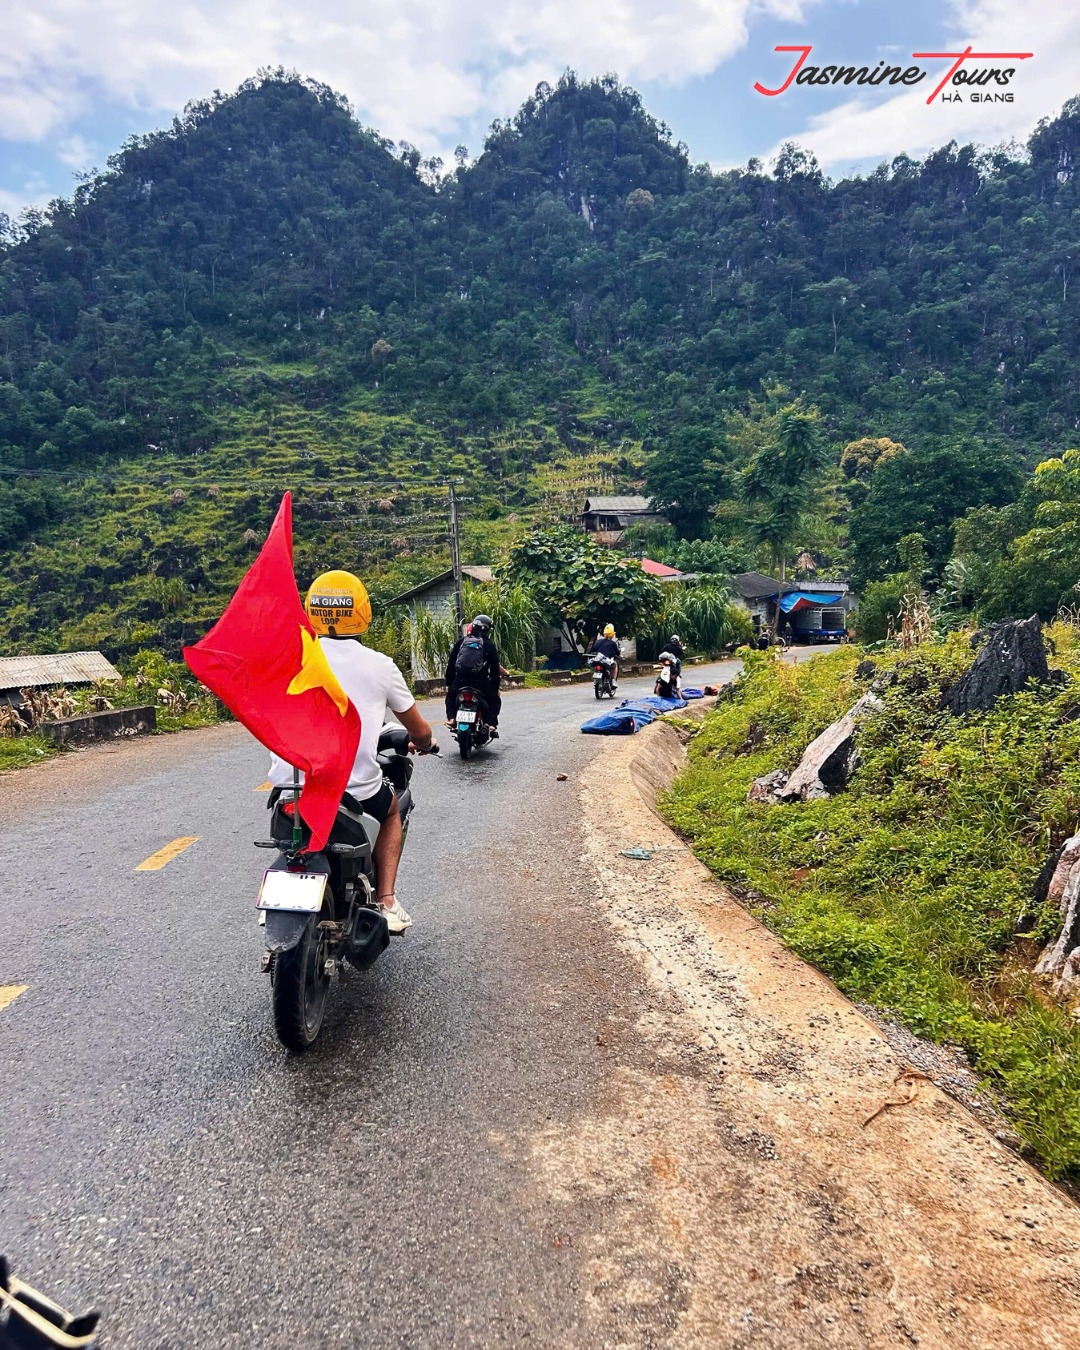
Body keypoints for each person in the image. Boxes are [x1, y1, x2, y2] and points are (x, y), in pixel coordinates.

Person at [268, 569, 437, 934]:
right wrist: (424, 743)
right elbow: (418, 728)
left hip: (290, 787)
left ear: (313, 609)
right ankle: (387, 898)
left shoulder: (289, 658)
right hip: (353, 792)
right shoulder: (380, 665)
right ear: (362, 612)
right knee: (393, 809)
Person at [445, 613, 508, 733]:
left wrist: (450, 683)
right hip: (480, 683)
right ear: (488, 630)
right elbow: (495, 670)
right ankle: (490, 724)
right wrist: (495, 688)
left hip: (460, 681)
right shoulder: (489, 646)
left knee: (450, 697)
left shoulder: (461, 642)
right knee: (495, 700)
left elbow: (451, 664)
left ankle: (452, 719)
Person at [587, 622, 621, 688]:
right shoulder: (613, 643)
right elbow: (617, 653)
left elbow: (593, 650)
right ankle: (613, 681)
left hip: (596, 660)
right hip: (606, 662)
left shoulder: (598, 641)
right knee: (615, 665)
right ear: (612, 634)